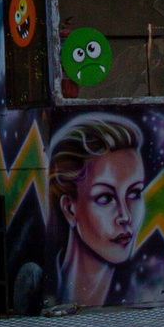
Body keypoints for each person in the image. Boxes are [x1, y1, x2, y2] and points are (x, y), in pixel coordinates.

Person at [48, 113, 146, 307]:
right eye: (105, 198)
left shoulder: (141, 292)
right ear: (70, 209)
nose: (125, 216)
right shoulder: (46, 291)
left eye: (134, 193)